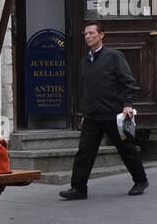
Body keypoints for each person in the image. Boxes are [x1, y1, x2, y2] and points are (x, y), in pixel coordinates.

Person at [60, 21, 149, 199]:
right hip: (92, 116)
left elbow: (128, 82)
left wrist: (128, 105)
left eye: (92, 33)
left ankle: (140, 180)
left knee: (126, 149)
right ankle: (78, 188)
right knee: (84, 152)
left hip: (114, 114)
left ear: (101, 35)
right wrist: (84, 113)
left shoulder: (114, 56)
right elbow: (86, 89)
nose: (88, 36)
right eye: (86, 34)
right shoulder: (85, 61)